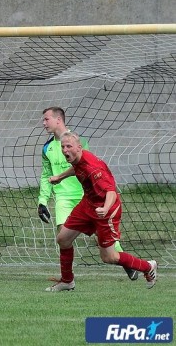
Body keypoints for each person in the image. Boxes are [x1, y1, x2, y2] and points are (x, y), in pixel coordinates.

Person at [45, 131, 157, 291]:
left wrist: (104, 209)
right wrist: (60, 177)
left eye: (68, 146)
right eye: (63, 147)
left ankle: (147, 266)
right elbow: (76, 168)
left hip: (106, 209)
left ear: (79, 147)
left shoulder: (93, 168)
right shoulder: (78, 157)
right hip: (88, 205)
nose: (65, 150)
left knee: (109, 257)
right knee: (63, 239)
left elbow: (111, 191)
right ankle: (67, 281)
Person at [38, 107, 138, 281]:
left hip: (85, 196)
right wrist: (42, 200)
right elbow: (46, 175)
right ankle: (67, 278)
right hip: (63, 198)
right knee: (63, 237)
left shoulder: (78, 141)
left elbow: (86, 166)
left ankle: (127, 264)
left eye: (46, 119)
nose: (43, 123)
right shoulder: (47, 148)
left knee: (104, 238)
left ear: (58, 120)